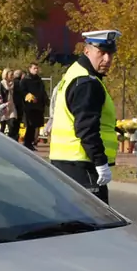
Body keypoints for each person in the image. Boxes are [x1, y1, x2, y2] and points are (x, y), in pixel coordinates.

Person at [48, 29, 121, 204]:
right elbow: (87, 128)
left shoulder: (75, 72)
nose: (107, 60)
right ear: (87, 50)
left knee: (68, 219)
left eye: (110, 54)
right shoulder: (87, 82)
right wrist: (100, 162)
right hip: (82, 164)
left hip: (67, 162)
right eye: (101, 53)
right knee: (94, 222)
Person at [17, 62, 49, 150]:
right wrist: (28, 96)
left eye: (37, 68)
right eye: (34, 68)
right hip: (29, 107)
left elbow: (43, 92)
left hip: (38, 106)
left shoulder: (39, 80)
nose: (36, 70)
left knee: (35, 125)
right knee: (30, 125)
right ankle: (27, 142)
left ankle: (30, 142)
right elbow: (22, 91)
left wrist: (46, 101)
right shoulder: (25, 80)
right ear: (30, 69)